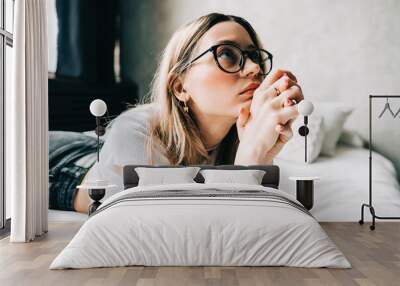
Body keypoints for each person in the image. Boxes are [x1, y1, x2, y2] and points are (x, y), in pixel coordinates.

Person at [72, 12, 304, 213]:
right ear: (180, 87)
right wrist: (251, 156)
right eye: (227, 54)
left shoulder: (240, 137)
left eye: (255, 57)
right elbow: (181, 228)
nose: (255, 68)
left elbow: (255, 214)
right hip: (67, 163)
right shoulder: (134, 132)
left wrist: (260, 150)